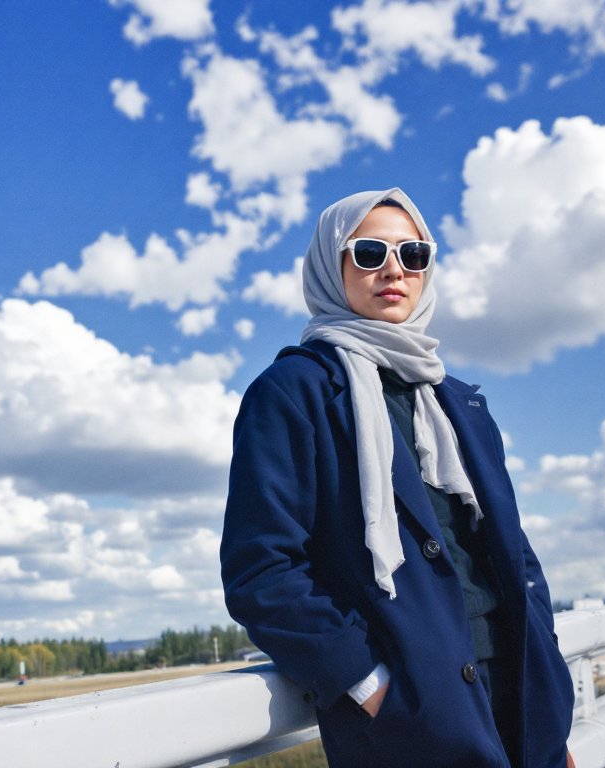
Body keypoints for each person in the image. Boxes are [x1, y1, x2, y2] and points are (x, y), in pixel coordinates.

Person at [219, 188, 576, 767]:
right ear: (330, 265)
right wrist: (366, 683)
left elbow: (513, 556)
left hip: (522, 693)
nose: (394, 269)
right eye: (368, 253)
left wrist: (551, 711)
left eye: (413, 254)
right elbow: (261, 569)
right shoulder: (293, 393)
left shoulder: (459, 403)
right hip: (412, 715)